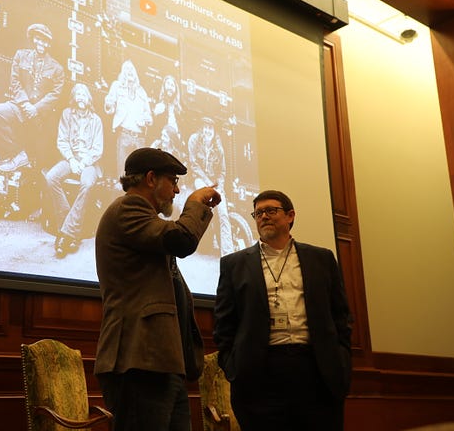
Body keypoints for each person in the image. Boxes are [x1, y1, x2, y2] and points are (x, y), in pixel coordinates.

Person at [94, 147, 222, 431]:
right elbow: (182, 239)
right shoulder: (128, 207)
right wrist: (195, 203)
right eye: (173, 181)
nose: (176, 191)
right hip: (138, 359)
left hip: (160, 360)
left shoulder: (145, 219)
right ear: (151, 179)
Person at [213, 190, 353, 430]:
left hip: (316, 370)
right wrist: (233, 366)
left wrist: (340, 359)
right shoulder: (234, 264)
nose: (263, 217)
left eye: (271, 210)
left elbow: (340, 315)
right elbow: (224, 324)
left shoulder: (321, 259)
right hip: (260, 374)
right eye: (258, 213)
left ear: (290, 216)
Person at [0, 23, 64, 171]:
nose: (41, 43)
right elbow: (15, 82)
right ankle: (17, 154)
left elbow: (55, 94)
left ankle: (31, 166)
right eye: (38, 39)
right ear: (33, 39)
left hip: (40, 116)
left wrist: (36, 108)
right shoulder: (20, 55)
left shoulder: (57, 68)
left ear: (49, 44)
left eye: (45, 41)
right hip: (19, 106)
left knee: (41, 160)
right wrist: (25, 103)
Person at [43, 83, 103, 258]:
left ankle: (65, 233)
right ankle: (69, 229)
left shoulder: (96, 120)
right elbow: (62, 141)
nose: (81, 97)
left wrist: (83, 162)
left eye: (84, 94)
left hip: (89, 163)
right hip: (70, 159)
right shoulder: (66, 115)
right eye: (77, 94)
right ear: (74, 98)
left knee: (87, 184)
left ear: (89, 98)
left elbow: (98, 149)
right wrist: (71, 159)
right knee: (50, 177)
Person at [188, 116, 234, 255]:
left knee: (223, 213)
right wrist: (207, 182)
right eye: (206, 127)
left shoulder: (218, 148)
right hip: (200, 179)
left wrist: (219, 185)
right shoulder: (194, 140)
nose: (208, 131)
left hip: (215, 183)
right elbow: (194, 165)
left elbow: (222, 171)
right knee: (202, 205)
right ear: (202, 129)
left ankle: (227, 253)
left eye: (210, 128)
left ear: (214, 131)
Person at [104, 60, 152, 174]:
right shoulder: (117, 86)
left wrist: (147, 119)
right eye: (126, 68)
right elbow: (109, 108)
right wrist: (108, 104)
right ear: (122, 72)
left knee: (139, 174)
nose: (129, 71)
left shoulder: (141, 91)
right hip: (124, 135)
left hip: (139, 138)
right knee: (123, 173)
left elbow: (149, 115)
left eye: (131, 69)